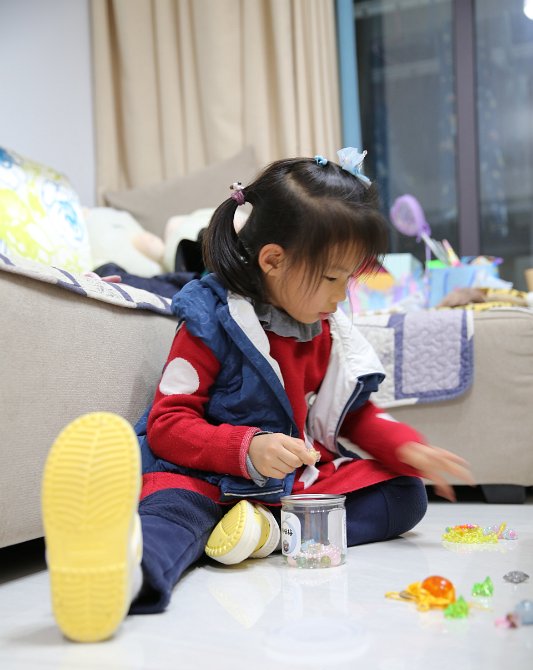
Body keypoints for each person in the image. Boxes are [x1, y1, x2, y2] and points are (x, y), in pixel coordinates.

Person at [41, 149, 473, 643]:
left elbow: (352, 416)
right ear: (273, 260)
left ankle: (264, 533)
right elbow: (167, 425)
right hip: (202, 477)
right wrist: (247, 448)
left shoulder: (320, 329)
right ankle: (123, 578)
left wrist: (405, 448)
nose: (341, 296)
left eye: (349, 279)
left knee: (404, 494)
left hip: (281, 489)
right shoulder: (209, 320)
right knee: (170, 521)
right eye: (332, 278)